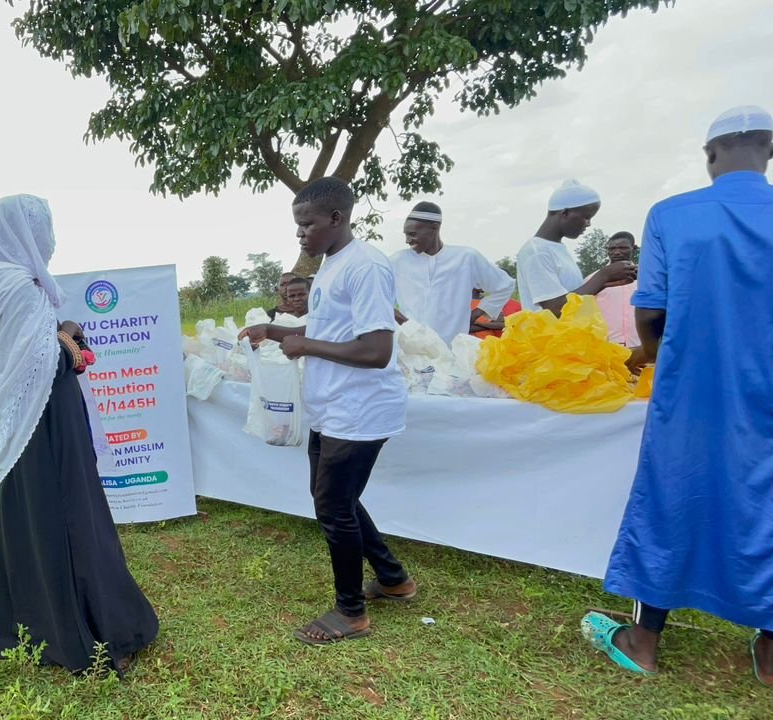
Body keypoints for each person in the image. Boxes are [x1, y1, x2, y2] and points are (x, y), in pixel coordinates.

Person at [582, 105, 773, 685]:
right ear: (768, 150)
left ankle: (642, 643)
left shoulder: (672, 214)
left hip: (695, 390)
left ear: (710, 155)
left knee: (672, 496)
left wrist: (665, 358)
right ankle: (770, 655)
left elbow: (651, 312)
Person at [0, 195, 158, 674]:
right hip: (47, 421)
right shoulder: (20, 288)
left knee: (33, 519)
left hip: (16, 422)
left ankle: (34, 627)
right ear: (23, 234)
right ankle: (98, 634)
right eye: (43, 229)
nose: (49, 240)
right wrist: (69, 333)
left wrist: (58, 337)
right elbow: (42, 363)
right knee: (73, 515)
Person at [239, 177, 415, 645]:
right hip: (333, 406)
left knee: (334, 507)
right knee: (338, 501)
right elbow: (329, 331)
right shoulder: (332, 266)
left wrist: (304, 346)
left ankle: (350, 612)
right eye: (297, 225)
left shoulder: (365, 266)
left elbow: (376, 350)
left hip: (358, 411)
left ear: (337, 218)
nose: (300, 234)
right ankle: (393, 579)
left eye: (308, 224)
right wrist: (274, 332)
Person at [389, 202, 515, 346]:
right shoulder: (396, 261)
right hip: (412, 348)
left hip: (454, 349)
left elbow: (505, 286)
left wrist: (475, 314)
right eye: (406, 234)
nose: (407, 240)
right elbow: (378, 299)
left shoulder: (466, 258)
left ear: (434, 228)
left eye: (412, 234)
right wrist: (407, 325)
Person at [516, 180, 637, 315]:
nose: (588, 224)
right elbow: (555, 308)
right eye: (586, 217)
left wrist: (606, 282)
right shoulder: (537, 251)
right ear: (564, 212)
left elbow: (574, 298)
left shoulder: (557, 249)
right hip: (551, 330)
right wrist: (603, 275)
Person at [590, 232, 642, 349]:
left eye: (623, 248)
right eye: (612, 249)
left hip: (640, 348)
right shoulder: (593, 280)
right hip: (603, 349)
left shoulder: (646, 279)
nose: (617, 252)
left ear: (633, 248)